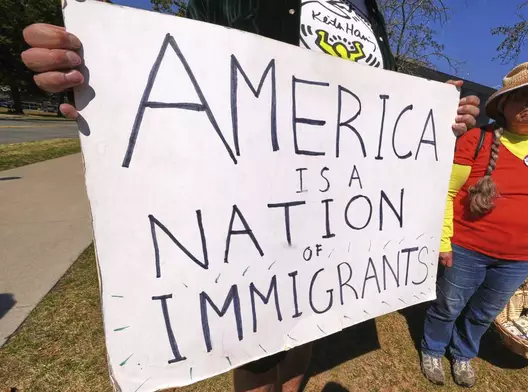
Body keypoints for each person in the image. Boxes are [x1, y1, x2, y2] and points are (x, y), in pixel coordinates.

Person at [20, 1, 481, 391]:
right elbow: (191, 61)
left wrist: (436, 112)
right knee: (256, 336)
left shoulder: (370, 9)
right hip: (252, 195)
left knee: (306, 314)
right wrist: (102, 68)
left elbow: (372, 100)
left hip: (331, 208)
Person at [420, 61, 528, 387]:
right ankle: (433, 349)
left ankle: (463, 354)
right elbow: (446, 193)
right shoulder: (475, 139)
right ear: (504, 103)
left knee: (483, 313)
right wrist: (444, 240)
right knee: (448, 305)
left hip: (519, 259)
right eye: (525, 94)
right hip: (467, 250)